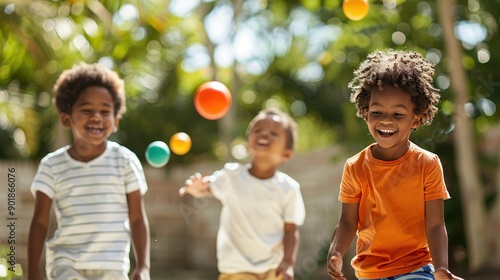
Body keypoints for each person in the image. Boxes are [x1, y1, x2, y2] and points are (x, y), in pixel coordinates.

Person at [327, 50, 463, 280]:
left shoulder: (427, 164)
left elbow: (435, 225)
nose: (386, 120)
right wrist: (336, 251)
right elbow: (348, 221)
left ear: (416, 118)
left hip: (415, 267)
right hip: (369, 272)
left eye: (398, 114)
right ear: (365, 111)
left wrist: (440, 267)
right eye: (376, 112)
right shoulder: (355, 167)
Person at [27, 63, 151, 280]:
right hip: (65, 266)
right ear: (67, 118)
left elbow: (138, 219)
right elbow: (39, 221)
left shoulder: (125, 162)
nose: (97, 116)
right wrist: (32, 271)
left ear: (115, 121)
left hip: (112, 268)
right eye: (86, 110)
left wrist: (143, 266)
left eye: (105, 111)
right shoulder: (51, 166)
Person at [179, 108, 306, 280]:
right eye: (258, 130)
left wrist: (288, 263)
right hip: (236, 270)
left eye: (274, 132)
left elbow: (291, 230)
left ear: (287, 153)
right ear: (248, 144)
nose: (264, 134)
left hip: (273, 270)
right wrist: (197, 189)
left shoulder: (289, 188)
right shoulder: (232, 175)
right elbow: (208, 187)